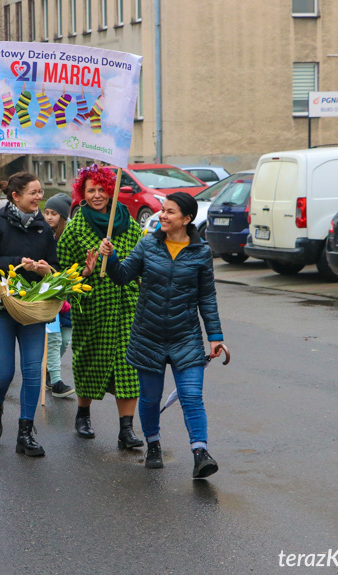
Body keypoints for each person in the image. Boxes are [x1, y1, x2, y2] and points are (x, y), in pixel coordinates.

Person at [99, 191, 225, 478]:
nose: (162, 216)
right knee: (150, 398)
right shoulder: (148, 245)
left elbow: (207, 297)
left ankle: (200, 453)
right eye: (163, 210)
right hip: (148, 335)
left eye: (169, 212)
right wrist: (112, 256)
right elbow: (122, 276)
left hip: (186, 336)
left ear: (187, 219)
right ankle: (153, 445)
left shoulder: (201, 252)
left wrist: (215, 335)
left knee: (192, 396)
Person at [58, 166, 146, 448]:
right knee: (88, 360)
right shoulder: (75, 228)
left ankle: (127, 429)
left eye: (101, 189)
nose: (97, 195)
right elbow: (62, 270)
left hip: (127, 306)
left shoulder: (129, 224)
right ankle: (83, 415)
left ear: (111, 190)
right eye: (90, 190)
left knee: (128, 365)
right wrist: (84, 271)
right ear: (82, 194)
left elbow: (142, 261)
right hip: (92, 307)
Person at [0, 171, 58, 457]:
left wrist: (44, 269)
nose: (39, 197)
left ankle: (25, 433)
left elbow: (55, 266)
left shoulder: (44, 228)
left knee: (33, 372)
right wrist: (18, 264)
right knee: (4, 372)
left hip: (33, 308)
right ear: (15, 196)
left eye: (40, 192)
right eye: (33, 193)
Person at [41, 192, 75, 398]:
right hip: (48, 294)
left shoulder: (71, 235)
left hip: (68, 295)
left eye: (53, 213)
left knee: (65, 340)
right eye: (46, 213)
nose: (49, 217)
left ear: (62, 215)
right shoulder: (43, 233)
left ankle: (49, 371)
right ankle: (56, 381)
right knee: (53, 339)